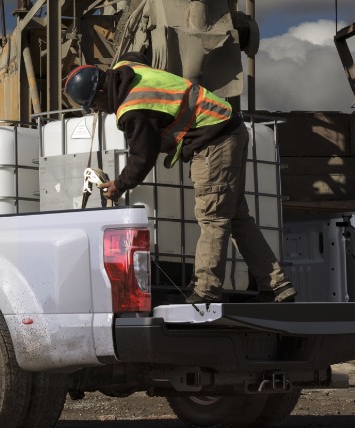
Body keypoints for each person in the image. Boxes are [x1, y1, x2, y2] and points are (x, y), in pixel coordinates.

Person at [63, 52, 296, 304]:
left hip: (212, 142)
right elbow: (135, 54)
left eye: (94, 106)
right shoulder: (126, 68)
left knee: (213, 217)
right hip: (228, 128)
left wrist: (119, 185)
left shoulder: (133, 109)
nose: (99, 111)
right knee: (236, 217)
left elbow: (142, 156)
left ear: (100, 92)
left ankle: (206, 291)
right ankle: (276, 287)